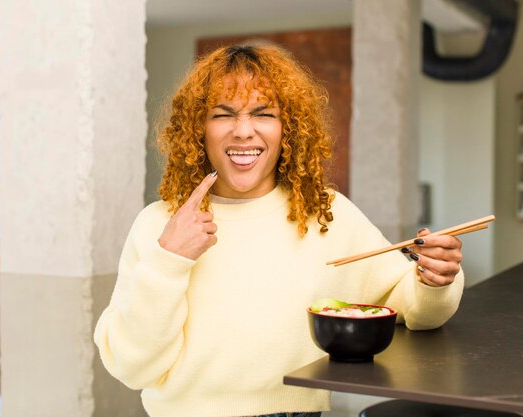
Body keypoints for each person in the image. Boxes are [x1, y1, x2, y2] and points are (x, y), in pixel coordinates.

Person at [94, 43, 464, 417]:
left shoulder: (325, 213)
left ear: (287, 127)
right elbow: (131, 367)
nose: (243, 131)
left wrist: (436, 279)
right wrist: (167, 259)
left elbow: (410, 305)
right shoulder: (158, 224)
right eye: (223, 115)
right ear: (197, 129)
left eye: (263, 113)